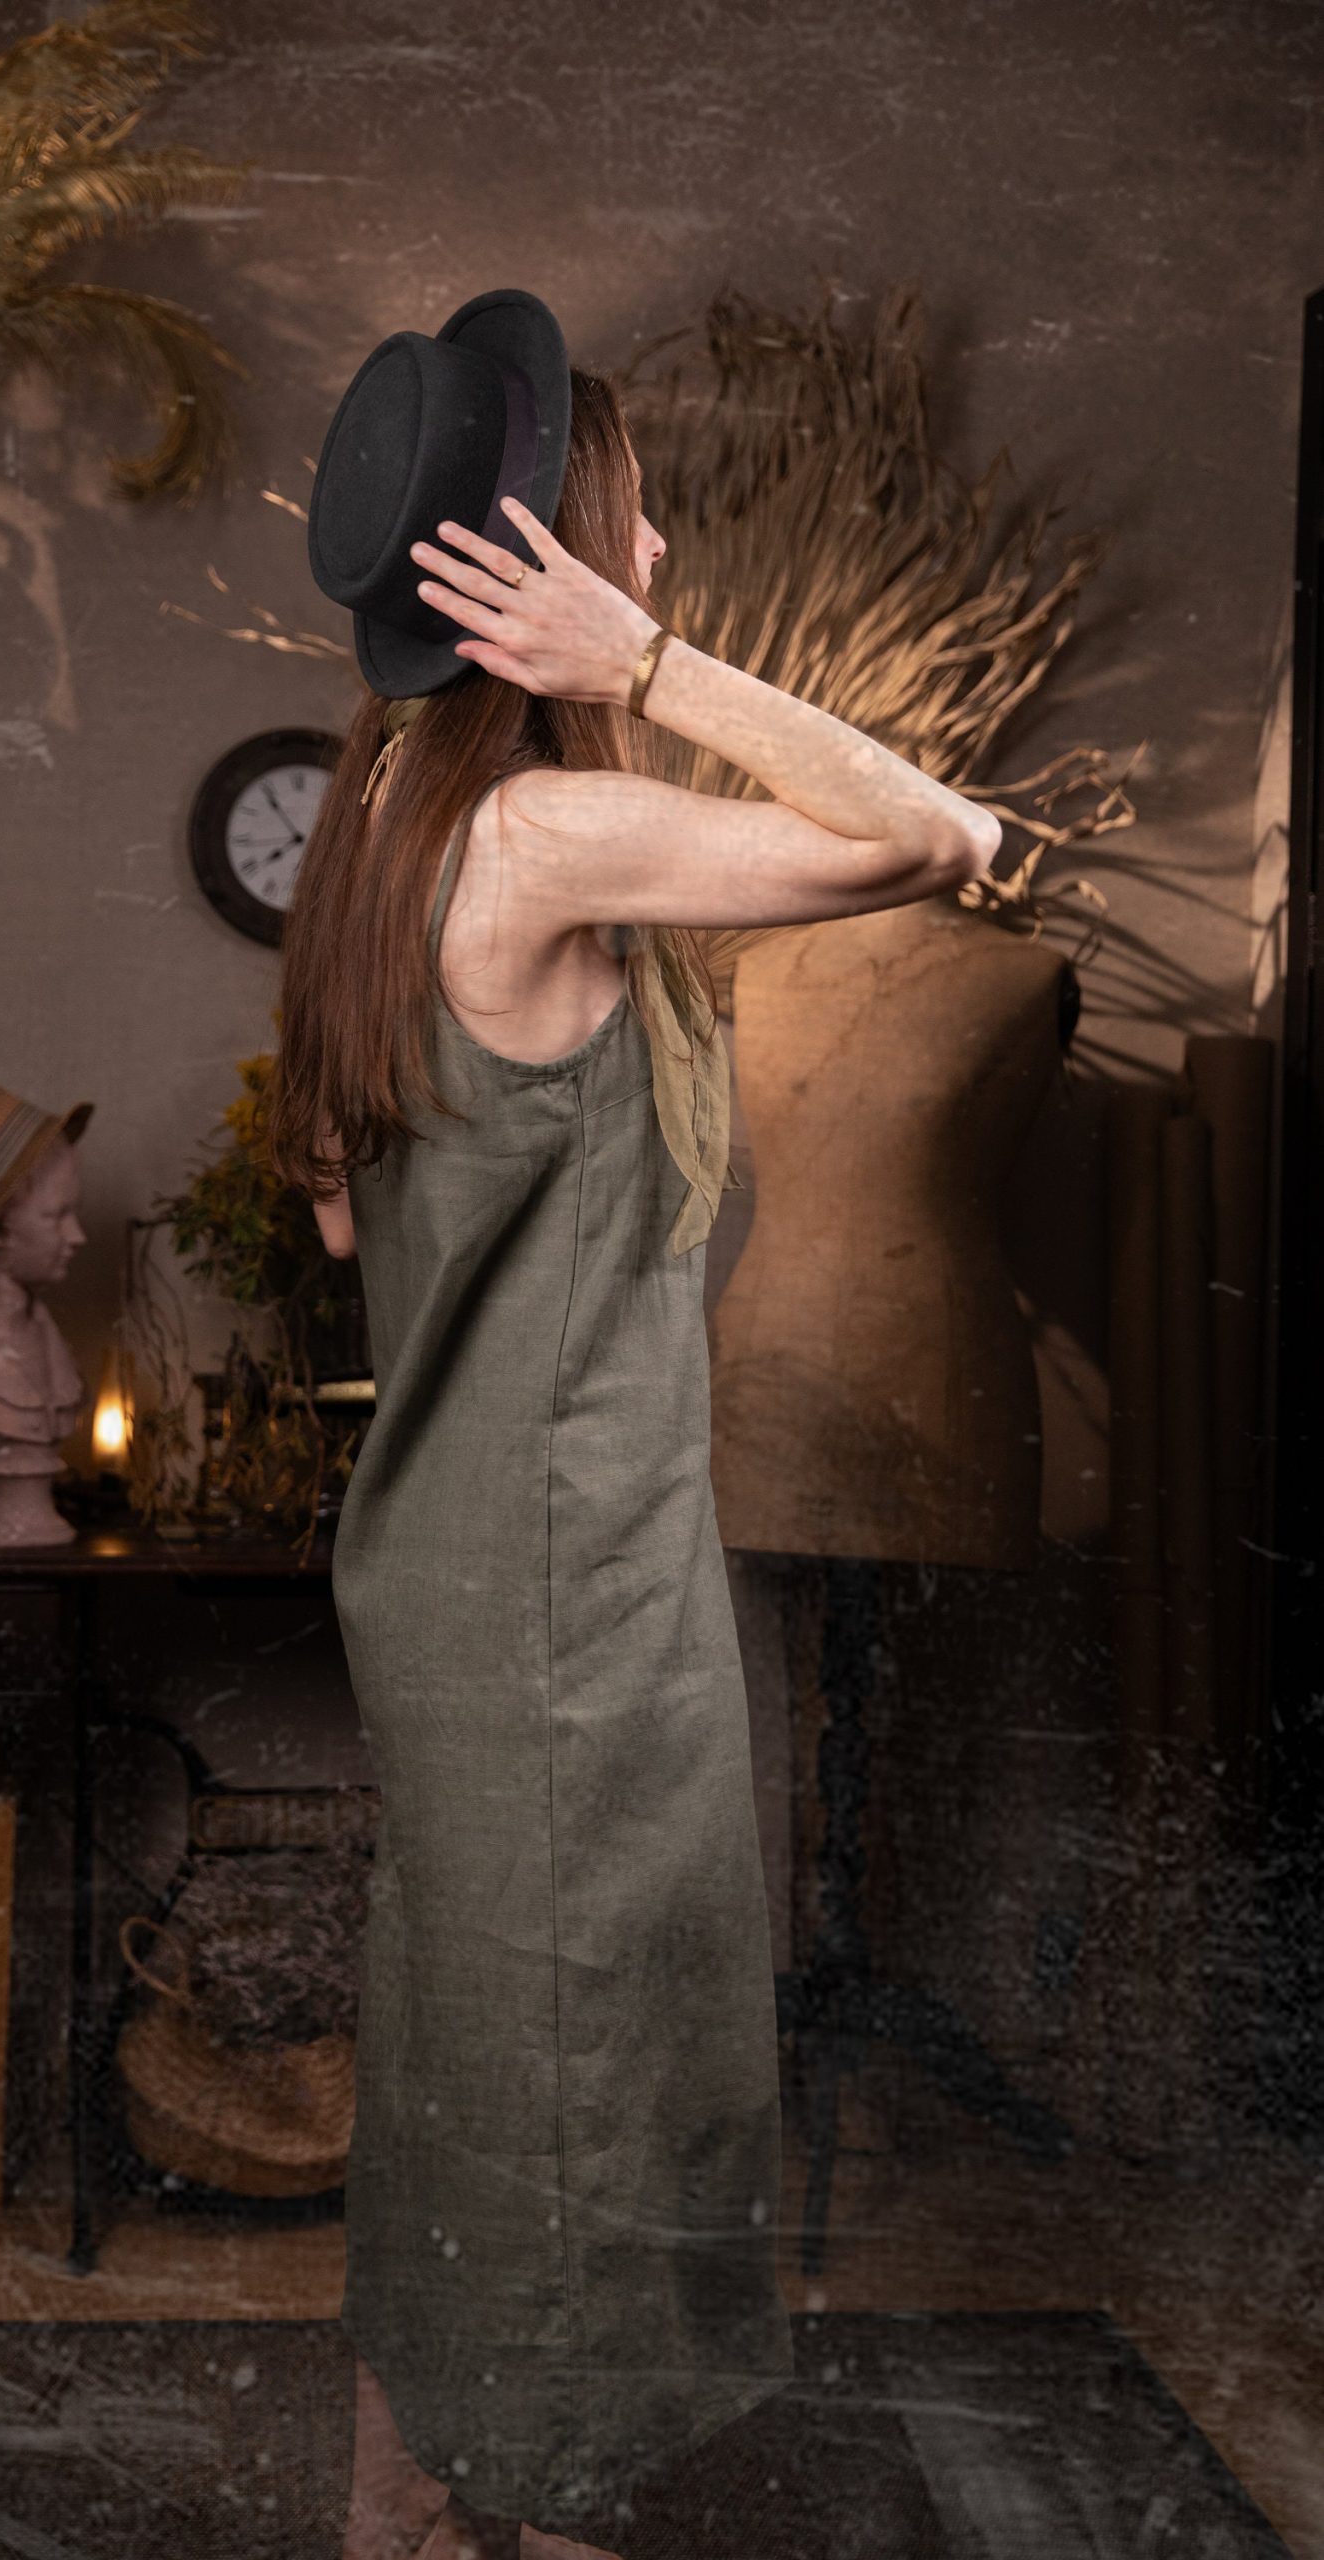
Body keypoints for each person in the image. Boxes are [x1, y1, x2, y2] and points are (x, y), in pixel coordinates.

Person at [267, 291, 999, 2560]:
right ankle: (556, 2516)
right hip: (565, 1592)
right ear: (545, 566)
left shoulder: (372, 834)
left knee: (478, 2060)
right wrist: (653, 668)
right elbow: (942, 833)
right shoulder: (547, 832)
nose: (663, 551)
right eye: (635, 523)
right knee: (604, 2098)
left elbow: (338, 1210)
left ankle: (396, 2506)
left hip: (454, 1568)